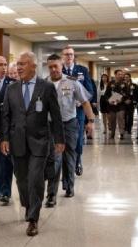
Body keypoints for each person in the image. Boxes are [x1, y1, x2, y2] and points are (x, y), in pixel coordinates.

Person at [0, 51, 64, 237]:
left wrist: (59, 139)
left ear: (33, 66)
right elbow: (6, 116)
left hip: (40, 140)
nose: (18, 67)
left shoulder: (46, 87)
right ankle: (28, 206)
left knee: (35, 178)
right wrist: (4, 138)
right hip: (17, 141)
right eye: (17, 64)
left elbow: (56, 114)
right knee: (21, 179)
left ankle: (33, 219)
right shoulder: (11, 89)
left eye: (23, 64)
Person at [44, 54, 94, 207]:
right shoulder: (44, 84)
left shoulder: (72, 82)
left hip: (69, 123)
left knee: (69, 156)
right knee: (54, 158)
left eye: (56, 66)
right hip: (52, 126)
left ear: (61, 66)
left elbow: (85, 102)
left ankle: (69, 186)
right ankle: (51, 194)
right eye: (50, 67)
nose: (53, 69)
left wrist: (90, 121)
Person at [61, 46, 94, 176]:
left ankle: (77, 160)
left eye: (71, 54)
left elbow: (89, 91)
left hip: (78, 111)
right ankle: (66, 164)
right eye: (66, 54)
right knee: (64, 138)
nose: (69, 56)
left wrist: (80, 101)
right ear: (62, 56)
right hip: (63, 111)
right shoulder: (59, 71)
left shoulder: (82, 71)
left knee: (78, 137)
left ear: (74, 56)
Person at [0, 55, 15, 204]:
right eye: (0, 65)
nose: (4, 67)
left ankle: (6, 192)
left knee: (6, 162)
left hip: (7, 128)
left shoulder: (12, 84)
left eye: (5, 64)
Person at [104, 70, 129, 139]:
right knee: (112, 120)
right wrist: (108, 100)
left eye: (121, 74)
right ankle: (112, 133)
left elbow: (127, 94)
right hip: (112, 105)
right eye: (119, 74)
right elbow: (106, 94)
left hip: (121, 105)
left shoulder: (125, 84)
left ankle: (121, 133)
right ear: (115, 75)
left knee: (121, 118)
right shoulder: (110, 83)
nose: (120, 75)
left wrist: (122, 99)